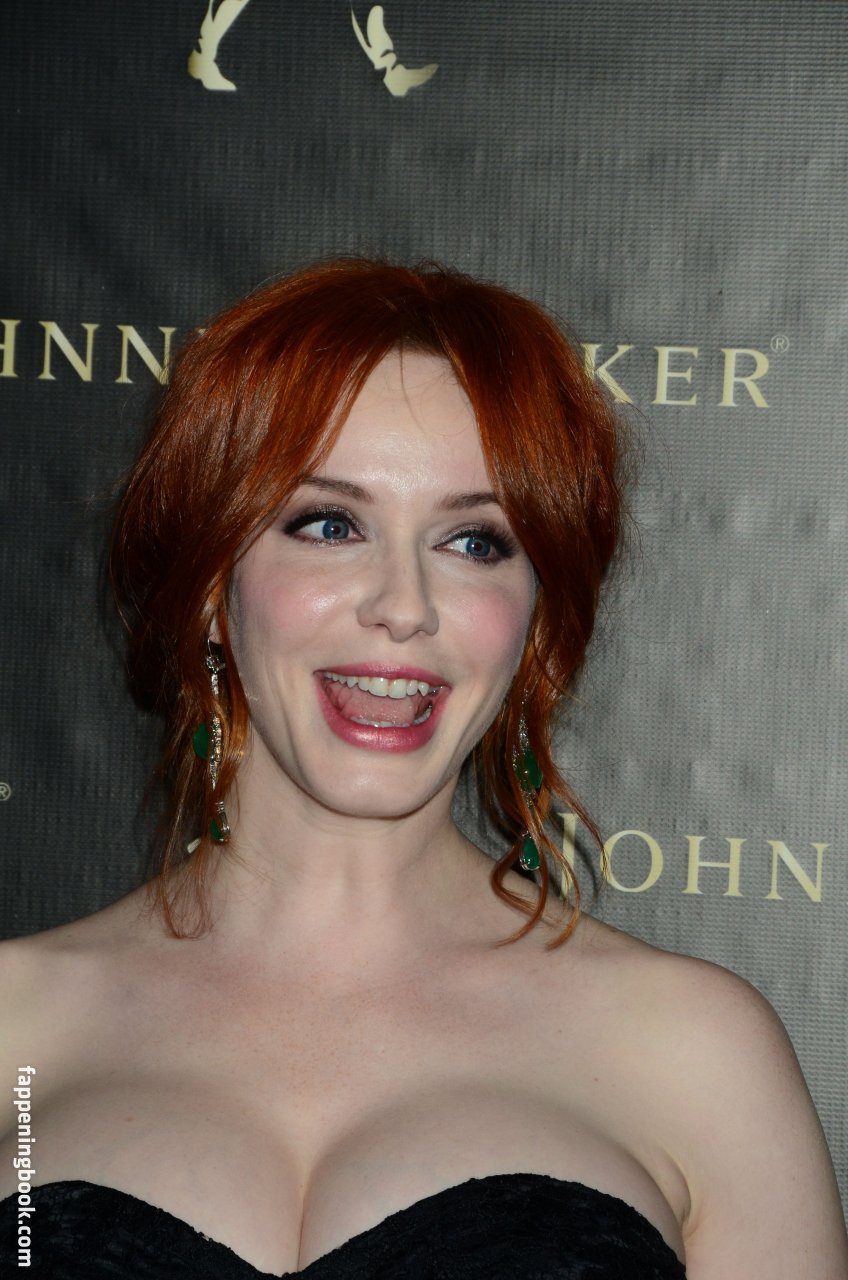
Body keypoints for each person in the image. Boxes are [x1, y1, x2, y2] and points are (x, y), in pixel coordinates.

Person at [0, 259, 845, 1279]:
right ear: (211, 587)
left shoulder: (694, 1051)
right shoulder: (18, 1028)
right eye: (328, 524)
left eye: (474, 541)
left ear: (535, 622)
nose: (403, 604)